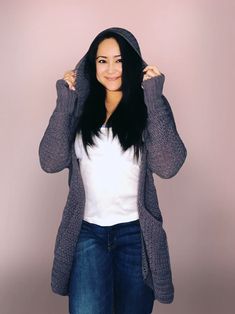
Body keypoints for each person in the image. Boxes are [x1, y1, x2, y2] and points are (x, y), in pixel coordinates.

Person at [38, 27, 187, 314]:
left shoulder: (149, 106)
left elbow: (168, 166)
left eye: (119, 60)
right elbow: (50, 161)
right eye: (102, 61)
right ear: (92, 65)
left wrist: (154, 99)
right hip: (87, 234)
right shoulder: (79, 108)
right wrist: (64, 104)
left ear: (132, 64)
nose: (111, 69)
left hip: (136, 235)